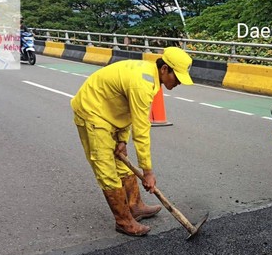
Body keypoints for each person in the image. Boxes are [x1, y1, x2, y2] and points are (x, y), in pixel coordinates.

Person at [71, 47, 193, 236]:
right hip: (93, 112)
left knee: (123, 165)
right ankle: (123, 221)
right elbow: (141, 129)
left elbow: (129, 110)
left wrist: (121, 140)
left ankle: (135, 206)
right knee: (107, 170)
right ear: (164, 69)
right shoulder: (143, 83)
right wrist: (148, 172)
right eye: (176, 77)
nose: (178, 83)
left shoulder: (151, 78)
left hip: (110, 111)